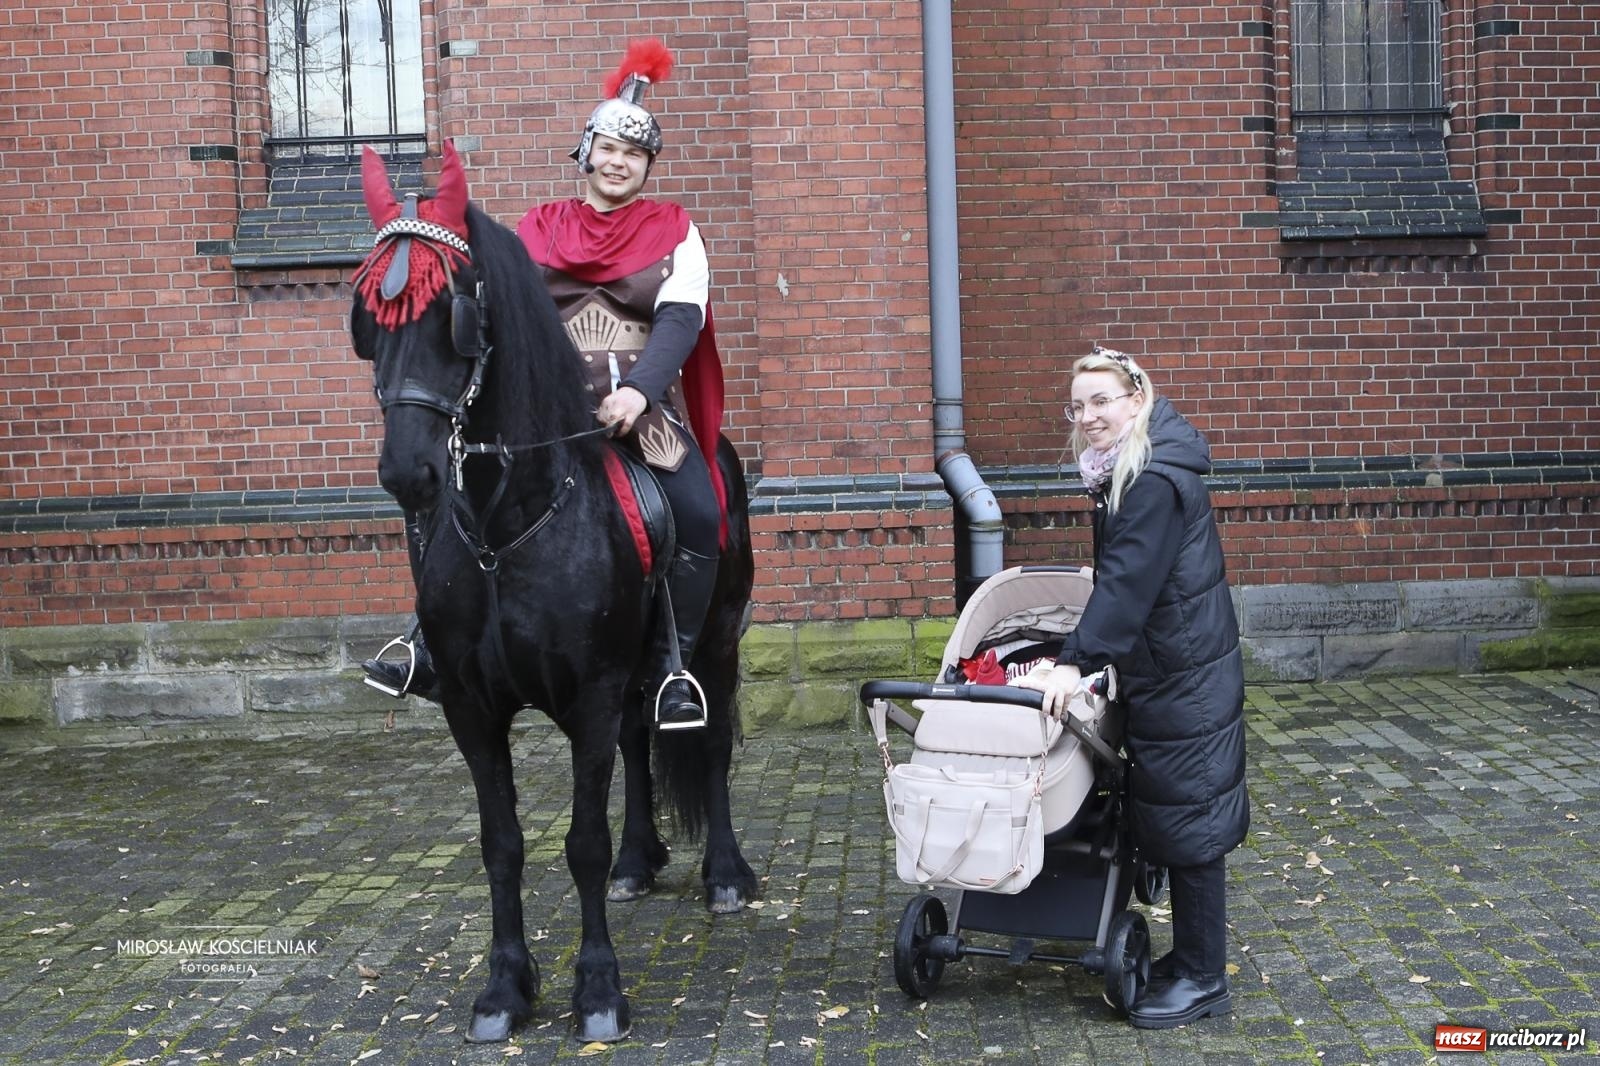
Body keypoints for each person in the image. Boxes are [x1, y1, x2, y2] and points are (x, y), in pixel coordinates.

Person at [363, 39, 729, 731]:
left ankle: (671, 667)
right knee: (450, 499)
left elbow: (681, 323)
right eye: (609, 148)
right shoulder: (538, 229)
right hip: (542, 414)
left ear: (647, 166)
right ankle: (428, 644)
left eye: (635, 153)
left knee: (702, 513)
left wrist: (640, 392)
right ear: (585, 152)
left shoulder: (677, 231)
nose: (619, 162)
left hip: (637, 410)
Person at [1010, 345, 1248, 1029]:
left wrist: (1072, 661)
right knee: (1178, 803)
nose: (1088, 416)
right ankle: (1193, 957)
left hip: (1184, 673)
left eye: (1102, 400)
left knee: (1192, 811)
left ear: (1137, 399)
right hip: (1171, 664)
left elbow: (1126, 584)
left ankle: (1205, 979)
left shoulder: (1151, 480)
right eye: (1078, 405)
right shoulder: (1136, 467)